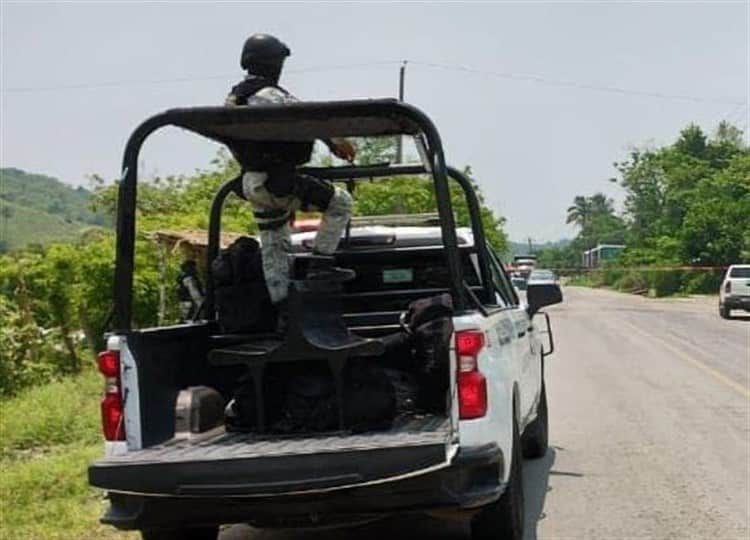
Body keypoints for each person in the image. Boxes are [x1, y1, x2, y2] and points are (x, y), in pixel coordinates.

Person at [225, 33, 356, 325]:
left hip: (252, 183)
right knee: (341, 203)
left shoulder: (235, 98)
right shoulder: (268, 95)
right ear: (274, 63)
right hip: (278, 182)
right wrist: (337, 142)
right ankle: (321, 265)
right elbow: (306, 118)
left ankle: (283, 311)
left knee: (274, 243)